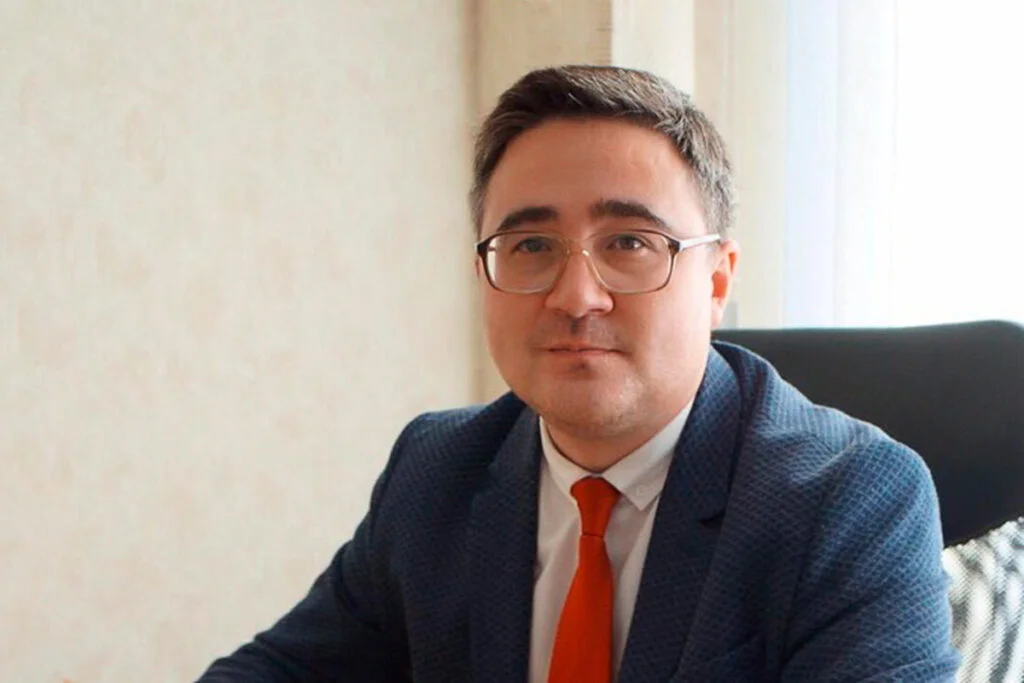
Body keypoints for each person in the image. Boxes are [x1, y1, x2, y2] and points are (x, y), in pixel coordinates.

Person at [196, 65, 959, 682]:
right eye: (531, 246)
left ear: (718, 280)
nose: (576, 296)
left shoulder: (849, 502)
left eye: (629, 242)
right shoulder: (436, 471)